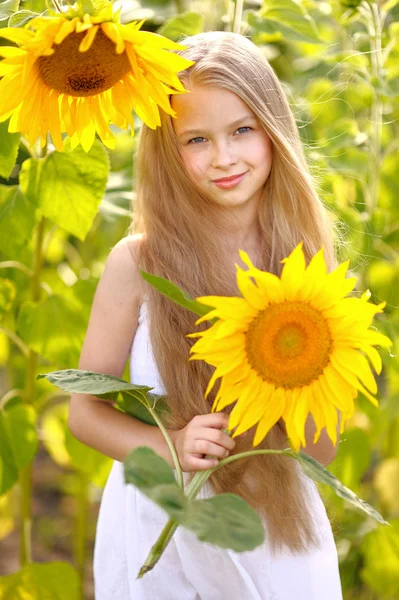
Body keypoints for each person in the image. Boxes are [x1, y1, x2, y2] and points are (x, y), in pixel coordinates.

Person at [68, 31, 343, 599]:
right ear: (167, 148)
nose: (224, 158)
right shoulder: (139, 264)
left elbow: (322, 451)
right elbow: (85, 412)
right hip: (162, 526)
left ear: (275, 130)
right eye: (196, 139)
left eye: (242, 130)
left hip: (274, 527)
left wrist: (290, 388)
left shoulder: (302, 262)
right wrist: (169, 444)